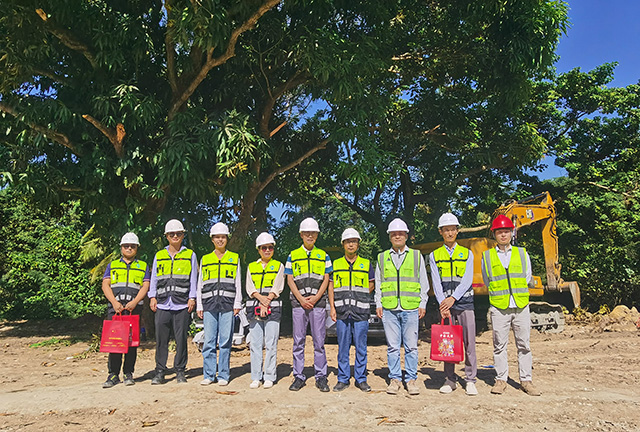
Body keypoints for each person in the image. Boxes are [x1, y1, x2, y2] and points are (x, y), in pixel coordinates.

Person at [481, 214, 541, 396]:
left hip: (521, 305)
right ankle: (501, 380)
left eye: (506, 231)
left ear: (511, 233)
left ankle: (526, 380)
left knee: (524, 345)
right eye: (499, 232)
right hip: (499, 307)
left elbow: (527, 277)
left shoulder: (522, 253)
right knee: (499, 345)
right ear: (494, 234)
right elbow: (487, 280)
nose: (503, 235)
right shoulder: (487, 256)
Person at [375, 218, 429, 396]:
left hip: (411, 307)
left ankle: (411, 379)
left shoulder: (416, 256)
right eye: (394, 234)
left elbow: (423, 281)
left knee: (411, 346)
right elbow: (379, 282)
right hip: (389, 308)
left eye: (400, 233)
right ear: (389, 236)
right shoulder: (382, 257)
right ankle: (395, 379)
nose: (397, 236)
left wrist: (423, 303)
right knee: (392, 347)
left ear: (406, 236)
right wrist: (378, 303)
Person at [428, 213, 478, 396]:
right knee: (447, 343)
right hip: (446, 306)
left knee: (469, 343)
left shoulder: (467, 253)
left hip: (465, 303)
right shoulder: (434, 255)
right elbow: (436, 281)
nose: (449, 233)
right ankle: (450, 379)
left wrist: (453, 298)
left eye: (452, 229)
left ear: (457, 231)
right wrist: (443, 304)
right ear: (440, 232)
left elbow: (467, 280)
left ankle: (470, 379)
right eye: (446, 230)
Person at [148, 219, 198, 384]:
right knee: (161, 340)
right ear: (166, 236)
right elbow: (154, 277)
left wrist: (192, 297)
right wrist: (152, 296)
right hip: (162, 303)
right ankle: (160, 371)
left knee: (181, 339)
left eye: (178, 233)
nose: (175, 236)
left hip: (182, 303)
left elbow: (193, 278)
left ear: (183, 235)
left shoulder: (190, 255)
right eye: (171, 234)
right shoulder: (159, 255)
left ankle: (180, 371)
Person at [286, 217, 332, 392]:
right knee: (298, 341)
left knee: (319, 341)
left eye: (313, 233)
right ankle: (298, 376)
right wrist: (301, 298)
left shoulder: (324, 256)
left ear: (317, 235)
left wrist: (316, 297)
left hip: (317, 303)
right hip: (298, 304)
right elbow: (290, 279)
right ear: (301, 235)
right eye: (307, 233)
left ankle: (321, 376)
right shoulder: (293, 255)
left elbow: (326, 279)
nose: (310, 235)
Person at [101, 232, 150, 388]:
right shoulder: (113, 265)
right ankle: (113, 374)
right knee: (115, 342)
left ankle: (128, 373)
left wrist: (135, 302)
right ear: (121, 247)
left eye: (132, 246)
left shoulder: (143, 266)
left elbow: (145, 286)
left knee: (131, 343)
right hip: (116, 310)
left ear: (137, 248)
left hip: (133, 310)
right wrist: (114, 302)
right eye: (126, 246)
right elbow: (105, 285)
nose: (129, 248)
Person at [328, 228, 374, 392]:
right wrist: (332, 307)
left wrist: (360, 296)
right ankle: (343, 378)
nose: (351, 244)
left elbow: (371, 284)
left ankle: (361, 379)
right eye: (348, 242)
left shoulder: (366, 263)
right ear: (343, 244)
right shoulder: (336, 264)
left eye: (354, 241)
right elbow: (331, 286)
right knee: (343, 347)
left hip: (361, 311)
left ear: (358, 244)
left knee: (361, 347)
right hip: (341, 311)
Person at [197, 222, 242, 386]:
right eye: (217, 237)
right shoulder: (205, 259)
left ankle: (223, 375)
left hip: (228, 304)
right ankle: (209, 375)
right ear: (212, 239)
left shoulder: (234, 257)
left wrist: (238, 302)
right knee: (209, 341)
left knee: (225, 341)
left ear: (227, 239)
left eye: (223, 237)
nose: (220, 240)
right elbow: (200, 283)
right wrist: (199, 305)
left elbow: (237, 281)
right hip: (209, 304)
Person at [245, 232, 285, 389]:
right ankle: (256, 376)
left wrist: (267, 301)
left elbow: (278, 286)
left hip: (273, 308)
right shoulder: (251, 266)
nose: (267, 250)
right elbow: (250, 288)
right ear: (258, 249)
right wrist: (262, 300)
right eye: (264, 248)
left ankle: (269, 375)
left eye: (270, 247)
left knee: (271, 343)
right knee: (255, 344)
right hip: (254, 308)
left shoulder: (279, 266)